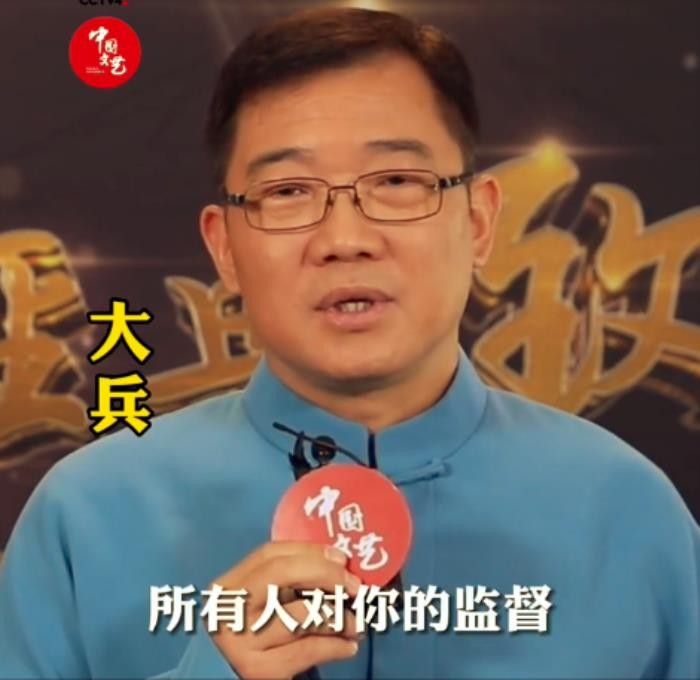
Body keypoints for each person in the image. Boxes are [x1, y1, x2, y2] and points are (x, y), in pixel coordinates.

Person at [0, 7, 698, 680]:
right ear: (224, 247)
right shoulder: (88, 515)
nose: (344, 239)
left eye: (396, 181)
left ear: (480, 220)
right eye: (288, 191)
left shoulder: (628, 511)